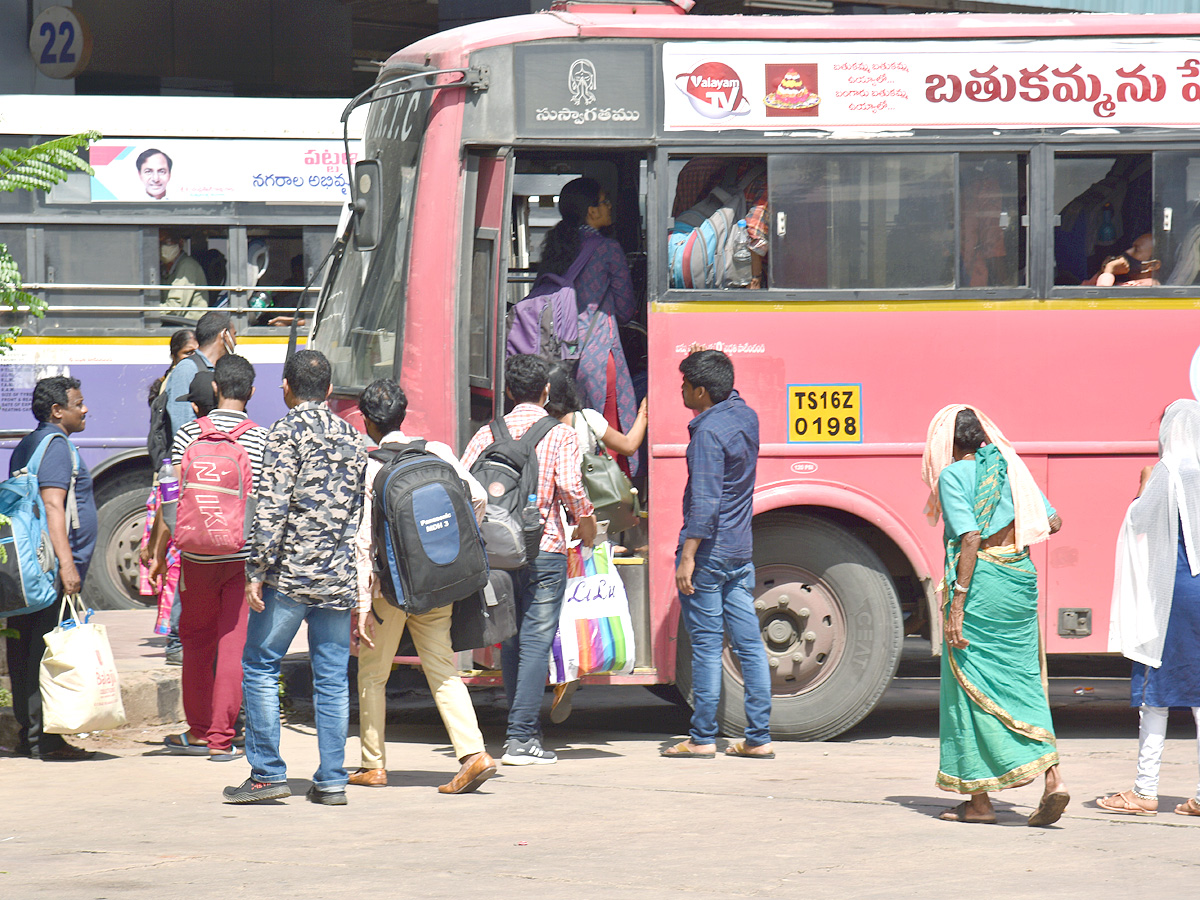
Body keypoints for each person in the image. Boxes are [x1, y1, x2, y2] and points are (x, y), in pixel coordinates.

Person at [224, 350, 365, 806]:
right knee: (332, 678)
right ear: (328, 390)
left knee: (261, 664)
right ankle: (332, 780)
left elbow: (271, 508)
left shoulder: (283, 433)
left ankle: (266, 773)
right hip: (337, 576)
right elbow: (357, 514)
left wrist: (255, 570)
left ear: (286, 387)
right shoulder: (352, 435)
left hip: (289, 576)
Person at [921, 405, 1067, 825]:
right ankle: (1054, 779)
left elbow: (969, 536)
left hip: (982, 586)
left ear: (949, 444)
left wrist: (958, 605)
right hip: (1018, 580)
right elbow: (1053, 522)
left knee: (966, 690)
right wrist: (1009, 525)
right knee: (1024, 683)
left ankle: (980, 803)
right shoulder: (1010, 468)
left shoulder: (953, 476)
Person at [349, 378, 497, 793]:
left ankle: (373, 765)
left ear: (367, 422)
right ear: (403, 413)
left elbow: (363, 540)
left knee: (373, 674)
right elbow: (479, 498)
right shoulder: (437, 452)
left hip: (389, 590)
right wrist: (453, 552)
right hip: (435, 580)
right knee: (442, 668)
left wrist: (363, 602)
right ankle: (473, 754)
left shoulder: (372, 466)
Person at [460, 354, 597, 765]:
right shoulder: (560, 434)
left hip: (500, 553)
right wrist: (586, 522)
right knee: (537, 639)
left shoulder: (487, 432)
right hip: (546, 549)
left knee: (513, 638)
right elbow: (572, 489)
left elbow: (464, 484)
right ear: (547, 391)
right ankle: (522, 738)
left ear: (506, 391)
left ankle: (517, 731)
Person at [151, 355, 267, 762]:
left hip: (195, 556)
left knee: (196, 641)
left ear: (215, 388)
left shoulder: (187, 435)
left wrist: (160, 551)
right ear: (251, 392)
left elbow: (171, 499)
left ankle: (197, 732)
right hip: (240, 557)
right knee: (232, 645)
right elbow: (265, 506)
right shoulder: (260, 439)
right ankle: (222, 739)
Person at [662, 349, 773, 761]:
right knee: (750, 645)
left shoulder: (707, 434)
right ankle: (758, 737)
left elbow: (705, 503)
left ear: (702, 391)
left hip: (709, 554)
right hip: (740, 550)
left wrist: (688, 556)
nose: (681, 391)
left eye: (686, 385)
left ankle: (702, 737)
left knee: (707, 647)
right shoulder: (746, 416)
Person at [1100, 400, 1200, 818]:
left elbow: (1139, 521)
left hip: (1174, 591)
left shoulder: (1168, 471)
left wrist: (1141, 486)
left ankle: (1144, 789)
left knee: (1154, 689)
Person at [542, 362, 647, 722]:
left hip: (555, 526)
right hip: (593, 523)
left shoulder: (543, 428)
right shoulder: (588, 419)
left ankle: (563, 669)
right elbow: (630, 445)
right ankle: (589, 656)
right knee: (588, 596)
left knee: (561, 603)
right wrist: (644, 413)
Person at [4, 376, 98, 760]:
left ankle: (30, 735)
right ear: (57, 411)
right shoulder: (57, 446)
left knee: (24, 647)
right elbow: (54, 506)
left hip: (25, 568)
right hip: (48, 567)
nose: (85, 408)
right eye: (78, 402)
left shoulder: (26, 444)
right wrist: (67, 566)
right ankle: (48, 739)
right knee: (48, 650)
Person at [538, 178, 639, 473]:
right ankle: (607, 500)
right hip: (596, 356)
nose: (610, 207)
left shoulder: (556, 247)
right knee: (603, 433)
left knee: (566, 428)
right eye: (604, 201)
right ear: (591, 212)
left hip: (556, 357)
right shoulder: (608, 249)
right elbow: (625, 309)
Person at [672, 157, 769, 289]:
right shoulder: (766, 177)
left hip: (684, 274)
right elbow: (755, 235)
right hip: (734, 277)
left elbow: (679, 217)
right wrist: (755, 280)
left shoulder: (694, 167)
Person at [159, 230, 208, 319]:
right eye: (159, 243)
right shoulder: (164, 268)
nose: (162, 247)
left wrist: (148, 310)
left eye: (166, 242)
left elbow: (175, 308)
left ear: (180, 243)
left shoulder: (187, 266)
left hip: (189, 325)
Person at [1084, 233, 1161, 286]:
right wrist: (1102, 271)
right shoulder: (1123, 278)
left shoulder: (1148, 286)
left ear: (1153, 265)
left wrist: (1109, 271)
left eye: (1136, 250)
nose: (1128, 251)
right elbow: (1083, 290)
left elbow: (1101, 299)